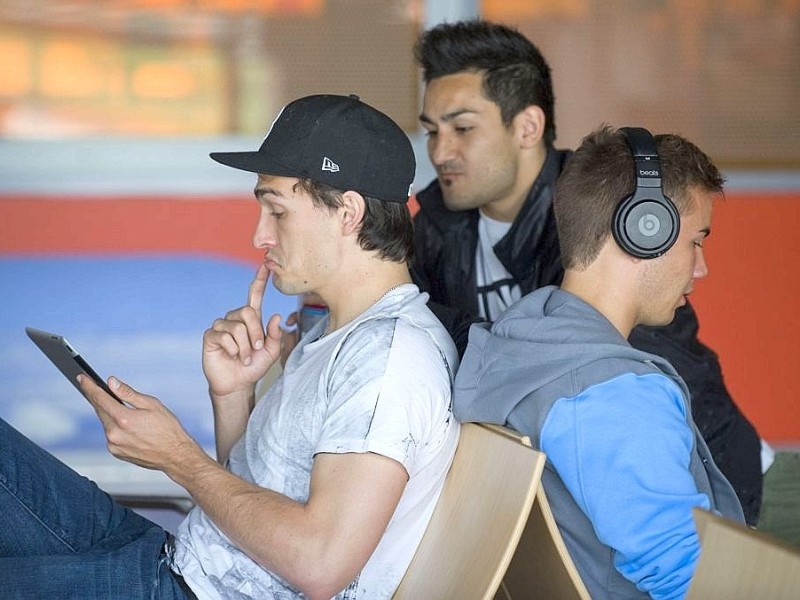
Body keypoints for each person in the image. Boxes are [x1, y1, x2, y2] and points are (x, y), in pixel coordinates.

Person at [0, 94, 460, 600]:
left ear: (348, 212)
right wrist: (233, 395)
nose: (259, 236)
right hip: (184, 561)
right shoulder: (338, 333)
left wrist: (180, 459)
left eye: (277, 212)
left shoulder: (388, 360)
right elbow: (261, 502)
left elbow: (320, 562)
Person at [411, 19, 764, 524]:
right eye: (432, 131)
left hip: (706, 484)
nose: (440, 151)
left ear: (527, 127)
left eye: (462, 128)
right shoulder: (436, 226)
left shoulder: (600, 217)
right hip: (568, 493)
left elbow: (632, 391)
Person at [454, 125, 745, 598]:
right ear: (642, 230)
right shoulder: (614, 394)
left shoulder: (518, 346)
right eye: (695, 241)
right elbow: (694, 584)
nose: (701, 267)